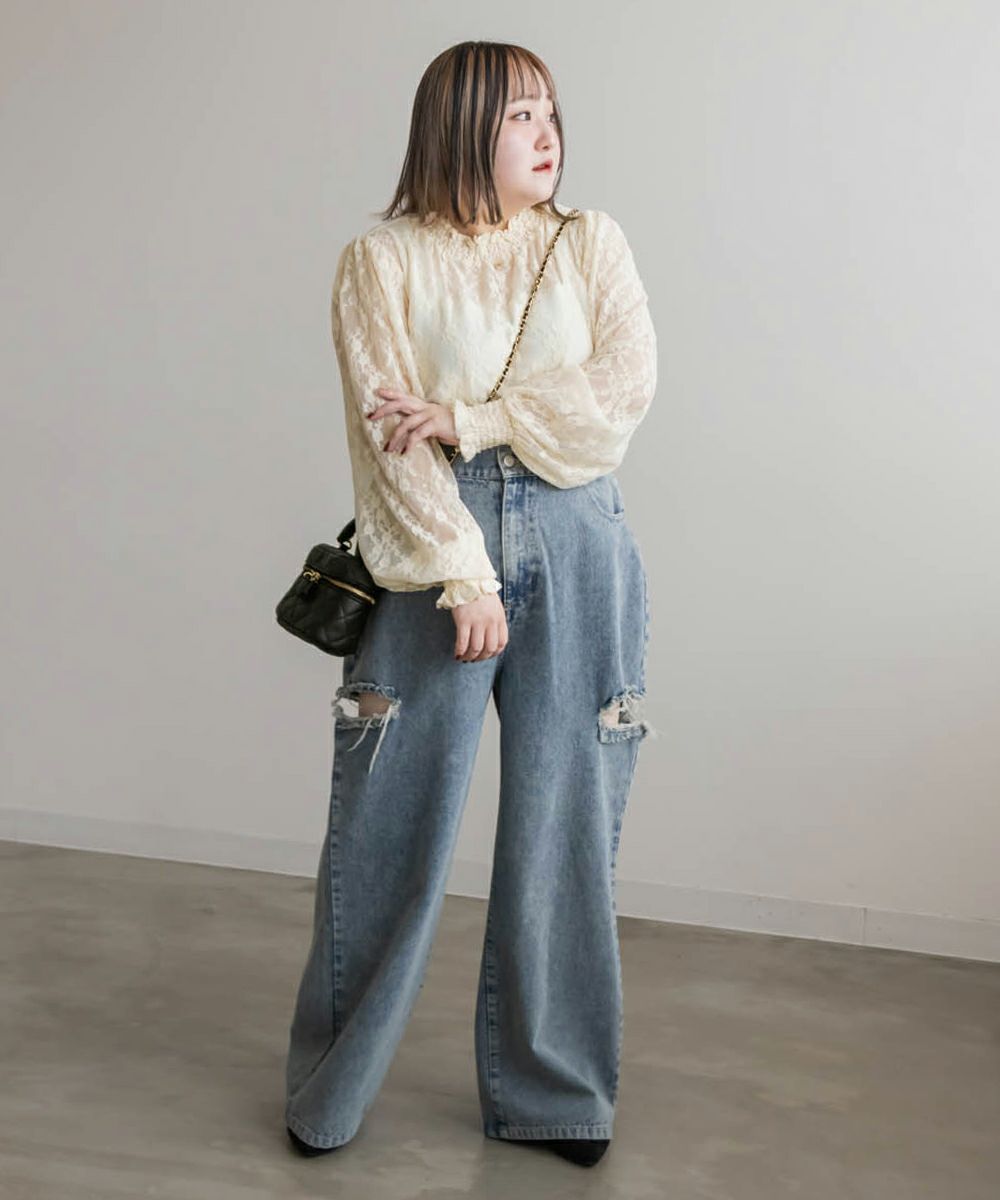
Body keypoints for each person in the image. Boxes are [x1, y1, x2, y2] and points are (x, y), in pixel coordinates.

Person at [283, 39, 657, 1169]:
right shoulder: (381, 260)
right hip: (428, 552)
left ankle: (555, 1096)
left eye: (550, 112)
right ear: (460, 127)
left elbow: (622, 391)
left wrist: (472, 419)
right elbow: (385, 440)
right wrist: (465, 572)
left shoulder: (588, 242)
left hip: (580, 538)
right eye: (518, 115)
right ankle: (330, 1094)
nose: (547, 134)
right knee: (388, 828)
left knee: (564, 825)